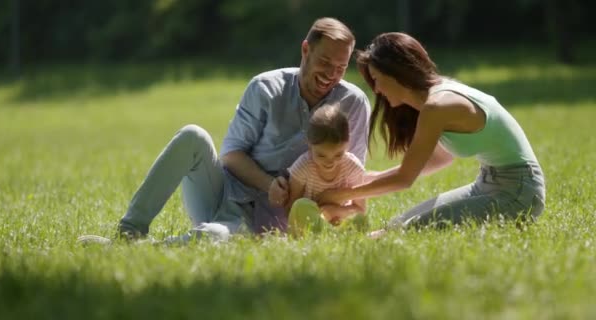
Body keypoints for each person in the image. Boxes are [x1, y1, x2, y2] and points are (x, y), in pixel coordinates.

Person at [114, 18, 371, 242]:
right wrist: (269, 183)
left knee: (217, 237)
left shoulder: (354, 103)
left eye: (340, 67)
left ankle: (160, 246)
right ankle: (129, 232)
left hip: (283, 216)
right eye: (325, 62)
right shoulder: (265, 88)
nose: (331, 74)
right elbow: (232, 154)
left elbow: (350, 176)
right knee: (193, 136)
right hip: (224, 194)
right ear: (306, 50)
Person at [317, 32, 546, 235]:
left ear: (397, 73)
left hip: (520, 192)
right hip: (487, 183)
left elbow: (404, 179)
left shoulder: (437, 106)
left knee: (404, 233)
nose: (376, 90)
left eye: (376, 79)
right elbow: (438, 159)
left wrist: (339, 195)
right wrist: (363, 179)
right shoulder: (433, 99)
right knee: (395, 227)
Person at [285, 104, 367, 236]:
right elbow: (291, 208)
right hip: (310, 223)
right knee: (301, 205)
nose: (330, 162)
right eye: (321, 155)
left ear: (348, 144)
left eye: (338, 154)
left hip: (340, 222)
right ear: (309, 144)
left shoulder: (353, 167)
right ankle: (314, 236)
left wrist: (334, 210)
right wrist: (317, 213)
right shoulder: (303, 166)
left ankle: (340, 240)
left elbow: (360, 209)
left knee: (359, 219)